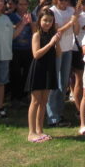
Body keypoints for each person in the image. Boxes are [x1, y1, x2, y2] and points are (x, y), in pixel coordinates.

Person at [26, 8, 60, 143]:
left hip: (49, 69)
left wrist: (57, 42)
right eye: (45, 20)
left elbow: (59, 54)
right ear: (39, 21)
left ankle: (40, 130)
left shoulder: (51, 35)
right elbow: (36, 54)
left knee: (44, 101)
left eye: (50, 21)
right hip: (39, 69)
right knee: (35, 101)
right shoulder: (37, 35)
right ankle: (31, 132)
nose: (48, 23)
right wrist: (51, 43)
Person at [47, 0, 79, 126]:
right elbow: (56, 31)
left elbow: (76, 31)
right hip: (56, 49)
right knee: (54, 84)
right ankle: (52, 116)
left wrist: (75, 20)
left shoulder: (71, 11)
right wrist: (70, 23)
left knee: (64, 83)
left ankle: (59, 113)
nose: (64, 2)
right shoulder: (52, 11)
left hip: (68, 48)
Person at [8, 0, 35, 106]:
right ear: (16, 5)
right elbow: (11, 31)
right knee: (15, 73)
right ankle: (15, 96)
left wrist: (31, 23)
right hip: (15, 49)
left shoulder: (31, 16)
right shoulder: (11, 16)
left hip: (28, 49)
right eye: (20, 4)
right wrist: (23, 22)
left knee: (27, 73)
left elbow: (35, 32)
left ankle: (24, 96)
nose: (23, 7)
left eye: (25, 4)